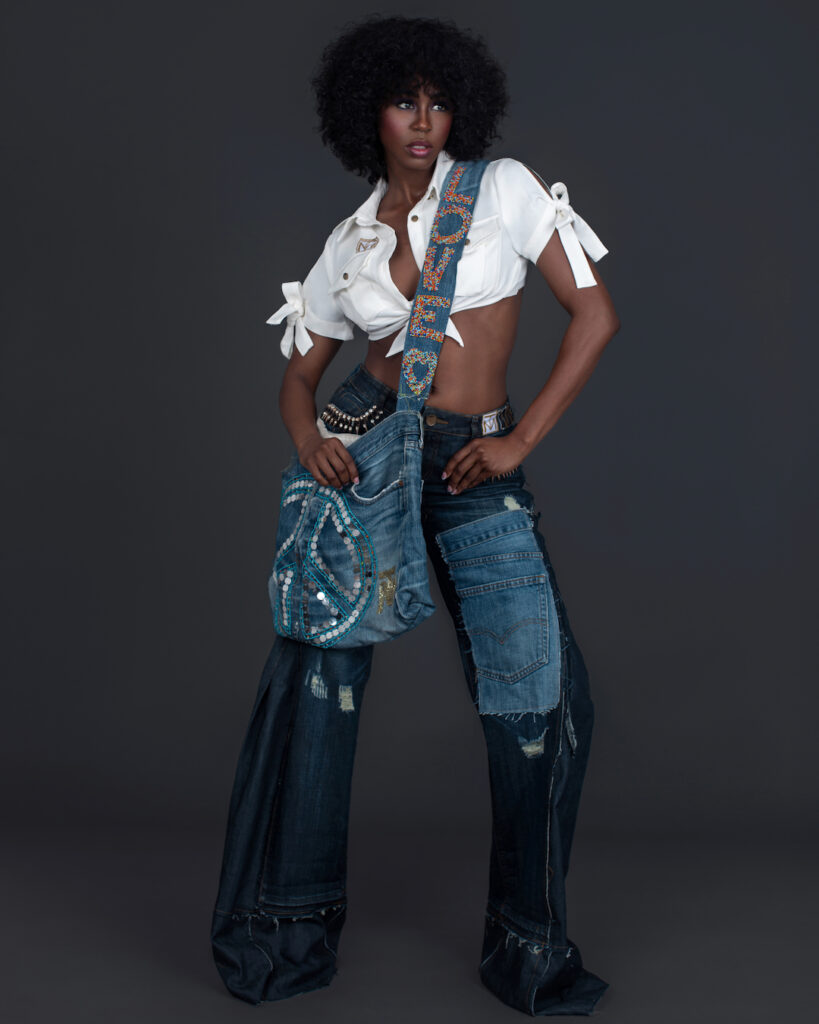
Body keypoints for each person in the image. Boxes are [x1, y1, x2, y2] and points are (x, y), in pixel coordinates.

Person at [210, 14, 620, 1017]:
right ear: (369, 115)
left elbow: (596, 315)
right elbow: (299, 380)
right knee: (322, 688)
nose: (425, 122)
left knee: (538, 701)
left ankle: (527, 948)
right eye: (404, 102)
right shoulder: (348, 243)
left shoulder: (504, 189)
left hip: (479, 458)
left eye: (440, 102)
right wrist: (309, 437)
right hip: (371, 448)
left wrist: (521, 443)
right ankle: (289, 930)